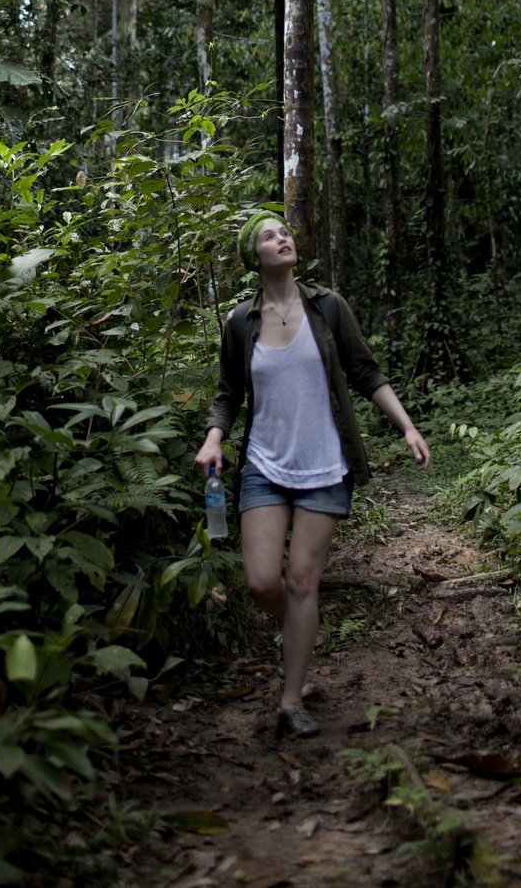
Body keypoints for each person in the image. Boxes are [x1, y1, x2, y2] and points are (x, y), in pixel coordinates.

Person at [195, 210, 431, 740]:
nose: (283, 238)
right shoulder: (240, 322)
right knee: (262, 583)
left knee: (302, 580)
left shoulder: (327, 306)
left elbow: (365, 371)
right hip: (264, 464)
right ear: (252, 256)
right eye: (268, 235)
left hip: (324, 463)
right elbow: (228, 394)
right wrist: (214, 437)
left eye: (284, 231)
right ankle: (300, 628)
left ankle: (291, 699)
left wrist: (407, 427)